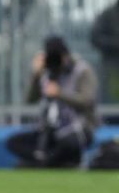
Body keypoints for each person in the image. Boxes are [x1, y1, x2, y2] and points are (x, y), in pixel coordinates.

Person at [6, 36, 98, 168]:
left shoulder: (82, 71)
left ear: (65, 55)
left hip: (78, 129)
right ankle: (55, 162)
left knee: (67, 143)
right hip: (49, 131)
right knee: (13, 142)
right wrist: (36, 75)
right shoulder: (46, 72)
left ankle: (41, 163)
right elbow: (29, 99)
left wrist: (59, 94)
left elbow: (86, 100)